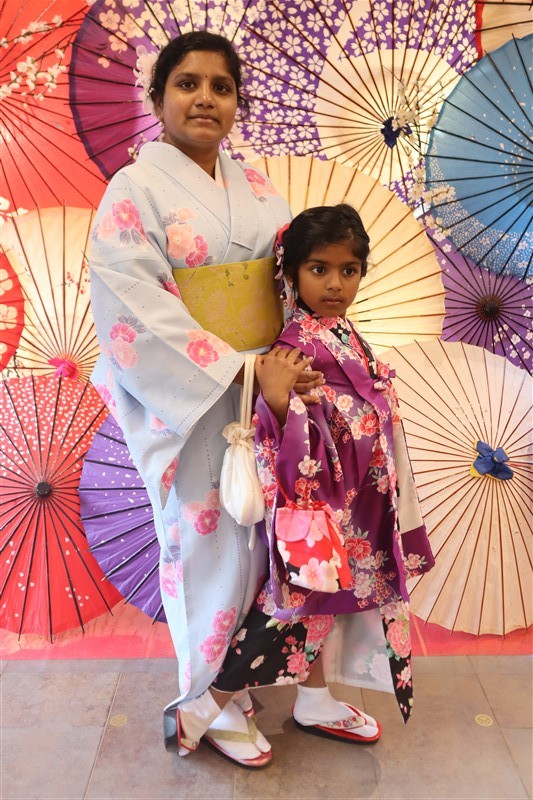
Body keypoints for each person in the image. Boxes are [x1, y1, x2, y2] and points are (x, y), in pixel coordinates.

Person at [88, 31, 323, 769]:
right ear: (158, 98)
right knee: (203, 540)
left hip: (264, 389)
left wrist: (290, 362)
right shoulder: (133, 191)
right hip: (193, 398)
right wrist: (241, 370)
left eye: (221, 87)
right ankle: (203, 697)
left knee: (260, 539)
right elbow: (132, 306)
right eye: (187, 84)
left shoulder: (257, 187)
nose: (205, 99)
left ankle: (235, 682)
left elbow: (289, 280)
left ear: (236, 103)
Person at [210, 204, 435, 743]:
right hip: (321, 505)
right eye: (319, 269)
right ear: (291, 273)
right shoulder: (294, 347)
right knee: (294, 606)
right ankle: (207, 706)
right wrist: (276, 399)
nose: (336, 283)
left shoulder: (340, 331)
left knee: (324, 607)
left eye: (348, 270)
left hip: (356, 502)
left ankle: (313, 698)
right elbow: (286, 433)